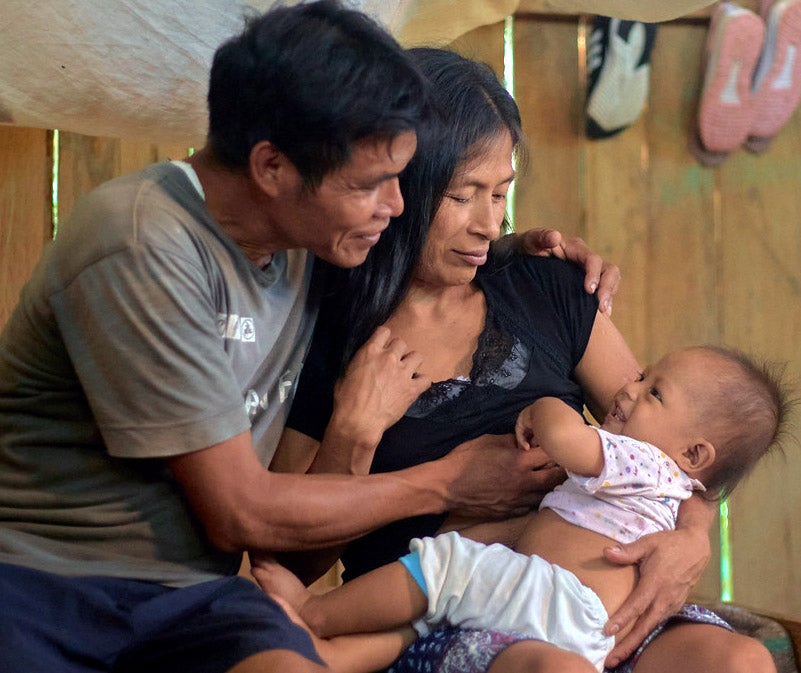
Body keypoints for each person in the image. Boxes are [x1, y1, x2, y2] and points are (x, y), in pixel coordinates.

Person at [0, 4, 614, 672]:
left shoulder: (307, 243)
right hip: (43, 582)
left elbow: (427, 255)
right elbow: (239, 512)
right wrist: (447, 482)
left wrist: (519, 250)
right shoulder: (143, 243)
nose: (396, 205)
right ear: (272, 168)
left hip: (193, 597)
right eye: (371, 184)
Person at [268, 47, 779, 673]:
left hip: (598, 605)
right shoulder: (332, 330)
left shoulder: (547, 287)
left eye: (501, 194)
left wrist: (692, 541)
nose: (489, 223)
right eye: (464, 196)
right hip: (452, 608)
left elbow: (676, 442)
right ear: (401, 184)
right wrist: (354, 433)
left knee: (739, 661)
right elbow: (292, 562)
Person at [257, 345, 789, 673]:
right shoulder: (674, 485)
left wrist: (547, 408)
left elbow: (566, 440)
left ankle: (312, 615)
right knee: (440, 603)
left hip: (555, 599)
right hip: (579, 627)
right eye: (642, 375)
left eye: (653, 392)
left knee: (443, 572)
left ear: (694, 455)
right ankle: (334, 657)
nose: (626, 388)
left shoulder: (642, 461)